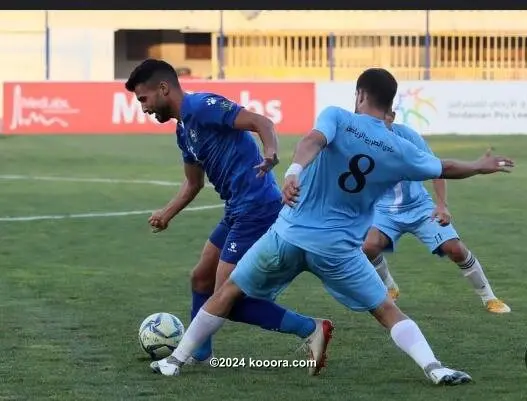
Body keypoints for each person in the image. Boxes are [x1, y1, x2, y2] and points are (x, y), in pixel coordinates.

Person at [149, 67, 514, 384]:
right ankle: (435, 368)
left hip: (287, 235)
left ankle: (174, 360)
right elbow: (444, 167)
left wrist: (293, 172)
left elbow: (312, 140)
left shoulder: (338, 117)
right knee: (387, 311)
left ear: (359, 95)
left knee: (226, 292)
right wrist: (481, 166)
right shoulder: (398, 148)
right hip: (337, 250)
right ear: (390, 104)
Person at [124, 59, 330, 365]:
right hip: (237, 209)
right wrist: (167, 213)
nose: (144, 108)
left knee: (226, 299)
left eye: (144, 99)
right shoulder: (183, 131)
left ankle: (312, 328)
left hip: (257, 208)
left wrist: (271, 152)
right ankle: (201, 353)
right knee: (201, 279)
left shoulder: (202, 106)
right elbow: (193, 183)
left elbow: (263, 123)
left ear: (164, 89)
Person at [363, 111, 510, 313]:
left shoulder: (408, 136)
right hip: (383, 210)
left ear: (392, 116)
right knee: (368, 246)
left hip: (419, 207)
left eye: (383, 118)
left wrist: (441, 205)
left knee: (455, 249)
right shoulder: (362, 140)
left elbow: (437, 168)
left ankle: (489, 297)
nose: (378, 123)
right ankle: (389, 287)